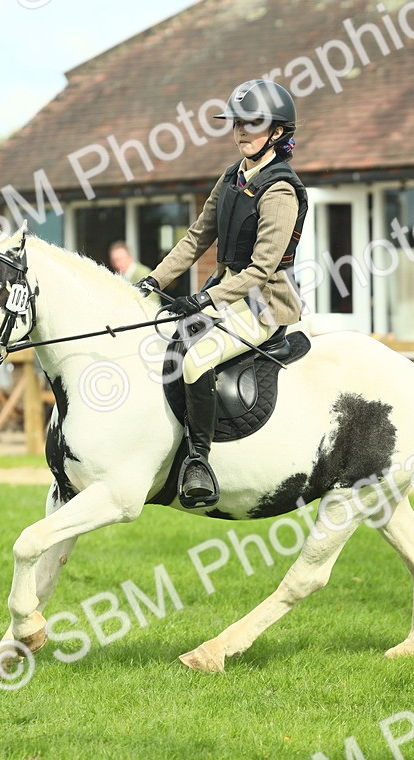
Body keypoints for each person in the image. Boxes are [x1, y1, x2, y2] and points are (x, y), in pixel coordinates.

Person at [135, 79, 307, 509]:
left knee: (196, 358)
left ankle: (198, 462)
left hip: (263, 303)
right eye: (237, 123)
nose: (241, 131)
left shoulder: (281, 189)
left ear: (278, 132)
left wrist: (207, 299)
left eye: (253, 124)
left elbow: (263, 267)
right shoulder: (232, 177)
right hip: (225, 292)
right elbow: (196, 238)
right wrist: (153, 282)